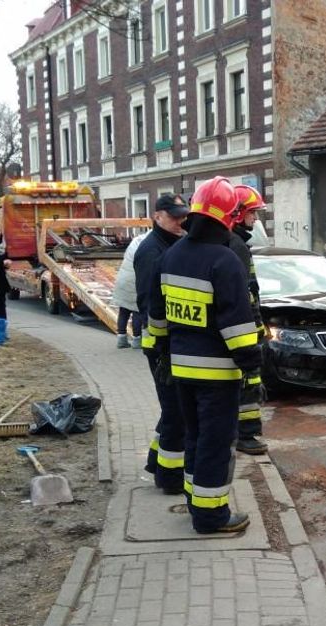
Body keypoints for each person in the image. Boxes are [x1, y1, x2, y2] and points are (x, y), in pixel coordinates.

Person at [148, 177, 262, 535]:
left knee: (195, 439)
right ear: (228, 217)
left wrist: (164, 351)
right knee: (215, 445)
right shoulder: (225, 260)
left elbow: (157, 316)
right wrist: (253, 369)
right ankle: (211, 516)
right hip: (217, 377)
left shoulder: (171, 255)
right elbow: (238, 327)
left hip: (181, 371)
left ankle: (195, 500)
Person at [135, 193, 189, 492]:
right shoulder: (151, 251)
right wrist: (163, 344)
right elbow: (149, 302)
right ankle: (169, 478)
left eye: (183, 214)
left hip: (168, 343)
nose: (182, 220)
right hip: (160, 344)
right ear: (158, 217)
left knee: (174, 408)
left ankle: (157, 461)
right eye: (175, 216)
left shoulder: (172, 245)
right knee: (174, 411)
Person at [228, 185, 268, 455]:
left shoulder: (234, 243)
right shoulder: (236, 246)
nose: (255, 219)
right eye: (253, 213)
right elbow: (246, 295)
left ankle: (241, 433)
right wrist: (257, 329)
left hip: (241, 326)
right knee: (249, 382)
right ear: (238, 213)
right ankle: (247, 435)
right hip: (244, 328)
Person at [110, 228, 150, 349]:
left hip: (123, 280)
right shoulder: (147, 243)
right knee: (137, 311)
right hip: (134, 282)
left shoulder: (136, 241)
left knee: (124, 311)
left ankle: (121, 339)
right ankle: (137, 340)